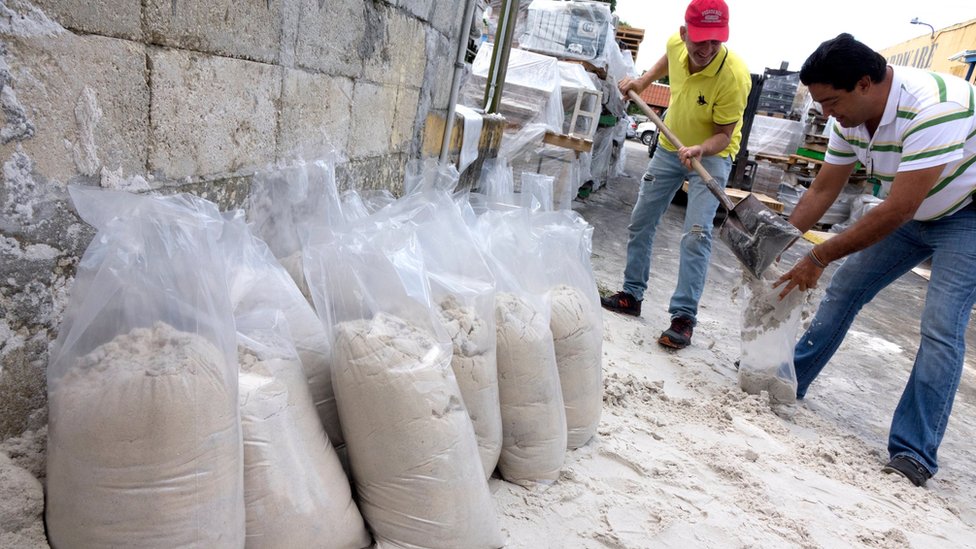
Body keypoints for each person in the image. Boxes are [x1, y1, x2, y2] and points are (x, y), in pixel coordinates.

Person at [774, 33, 976, 487]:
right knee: (846, 289)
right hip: (912, 209)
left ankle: (914, 452)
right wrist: (777, 244)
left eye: (831, 101)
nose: (826, 113)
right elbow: (824, 189)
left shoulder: (936, 105)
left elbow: (899, 208)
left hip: (967, 216)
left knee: (941, 326)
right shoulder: (848, 119)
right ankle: (789, 379)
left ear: (865, 83)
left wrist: (819, 255)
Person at [601, 0, 751, 350]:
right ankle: (632, 294)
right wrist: (643, 80)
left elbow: (724, 137)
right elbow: (668, 58)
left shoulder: (733, 77)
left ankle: (683, 318)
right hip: (670, 145)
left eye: (716, 41)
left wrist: (700, 149)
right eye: (700, 41)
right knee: (641, 219)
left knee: (696, 234)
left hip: (711, 156)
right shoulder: (675, 42)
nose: (708, 49)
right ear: (685, 34)